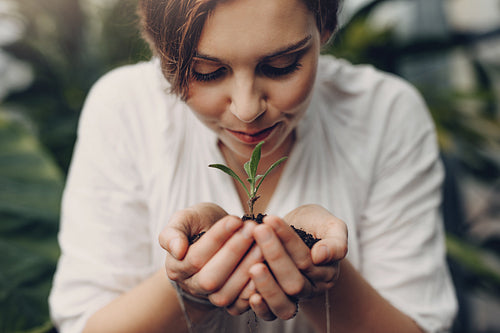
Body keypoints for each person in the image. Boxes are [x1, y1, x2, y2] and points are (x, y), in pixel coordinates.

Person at [49, 0, 458, 332]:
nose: (247, 111)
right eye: (206, 72)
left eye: (280, 67)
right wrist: (188, 288)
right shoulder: (125, 110)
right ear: (162, 54)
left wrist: (320, 276)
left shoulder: (384, 114)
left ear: (325, 30)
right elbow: (85, 322)